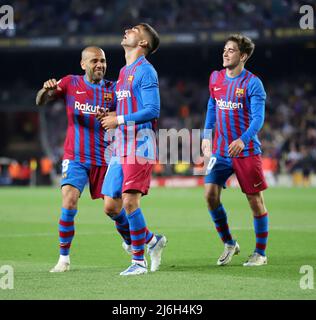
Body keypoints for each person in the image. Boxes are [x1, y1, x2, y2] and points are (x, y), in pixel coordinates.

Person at [36, 46, 116, 272]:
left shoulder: (115, 90)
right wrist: (46, 90)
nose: (100, 65)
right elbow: (41, 101)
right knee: (69, 201)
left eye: (103, 61)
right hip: (76, 157)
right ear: (83, 64)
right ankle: (64, 258)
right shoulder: (71, 83)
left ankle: (136, 241)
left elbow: (126, 116)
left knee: (114, 210)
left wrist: (112, 116)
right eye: (94, 61)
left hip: (104, 159)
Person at [97, 23, 167, 276]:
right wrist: (112, 115)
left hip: (141, 142)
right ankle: (151, 240)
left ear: (143, 43)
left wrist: (119, 120)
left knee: (129, 201)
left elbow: (152, 109)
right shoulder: (124, 71)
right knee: (111, 207)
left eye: (136, 29)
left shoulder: (146, 71)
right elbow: (128, 109)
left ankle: (138, 262)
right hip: (121, 144)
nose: (127, 29)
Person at [201, 34, 269, 267]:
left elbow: (259, 118)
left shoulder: (252, 83)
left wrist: (243, 139)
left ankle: (260, 253)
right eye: (225, 49)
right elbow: (212, 104)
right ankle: (229, 243)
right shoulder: (215, 77)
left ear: (243, 56)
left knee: (255, 201)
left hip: (246, 151)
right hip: (220, 151)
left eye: (231, 50)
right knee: (210, 195)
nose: (225, 53)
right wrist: (206, 135)